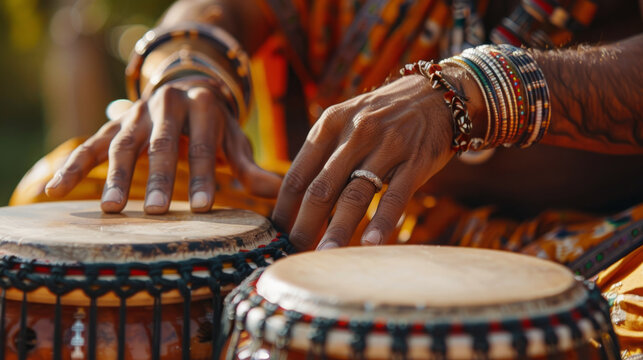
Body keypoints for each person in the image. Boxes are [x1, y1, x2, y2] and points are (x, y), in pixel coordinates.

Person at [9, 0, 643, 356]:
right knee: (66, 193)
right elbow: (222, 8)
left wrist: (477, 91)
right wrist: (186, 67)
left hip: (605, 244)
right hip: (345, 218)